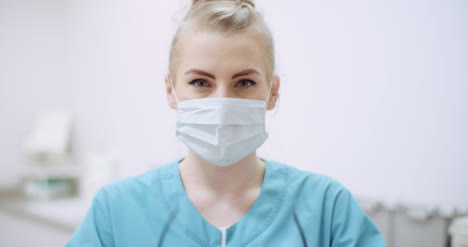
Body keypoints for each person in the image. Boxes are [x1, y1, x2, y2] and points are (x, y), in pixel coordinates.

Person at [66, 0, 387, 246]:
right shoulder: (117, 211)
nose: (221, 103)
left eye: (244, 83)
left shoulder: (327, 209)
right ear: (171, 91)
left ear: (272, 92)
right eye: (201, 83)